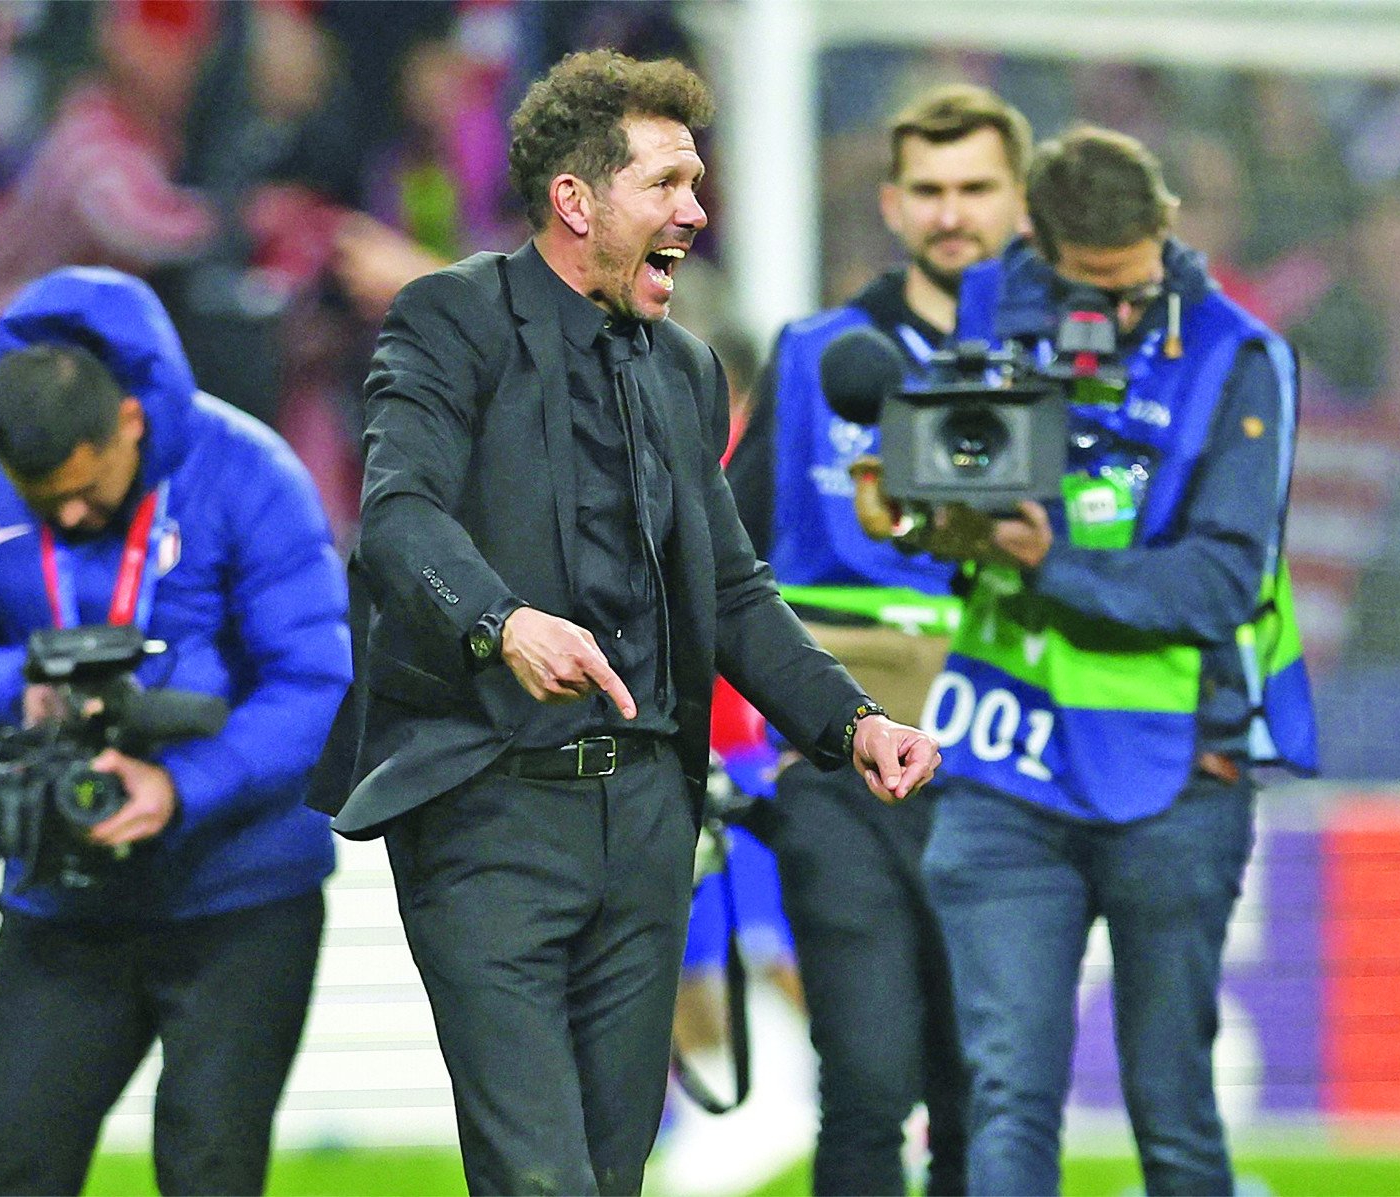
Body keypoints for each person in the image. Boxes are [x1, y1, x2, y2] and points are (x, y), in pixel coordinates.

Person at [322, 50, 942, 1195]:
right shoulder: (449, 320)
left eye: (696, 183)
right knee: (541, 1181)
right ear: (575, 199)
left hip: (648, 825)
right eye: (665, 183)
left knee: (610, 1179)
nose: (694, 211)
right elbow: (397, 523)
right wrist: (504, 623)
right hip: (487, 812)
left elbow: (735, 592)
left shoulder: (686, 372)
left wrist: (850, 723)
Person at [907, 127, 1319, 1196]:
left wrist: (1058, 565)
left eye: (1135, 286)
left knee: (1170, 1103)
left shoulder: (1240, 356)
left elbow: (1223, 583)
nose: (1118, 312)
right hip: (1006, 764)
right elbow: (950, 477)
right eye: (1095, 287)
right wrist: (925, 512)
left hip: (1175, 773)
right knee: (1004, 1092)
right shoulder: (991, 303)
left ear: (1167, 231)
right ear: (1042, 246)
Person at [0, 266, 352, 1196]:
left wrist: (182, 786)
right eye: (41, 501)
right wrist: (22, 685)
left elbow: (315, 684)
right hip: (64, 892)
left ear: (131, 423)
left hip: (240, 892)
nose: (67, 516)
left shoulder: (248, 471)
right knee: (15, 1168)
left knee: (209, 1171)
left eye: (82, 489)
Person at [724, 83, 1031, 1197]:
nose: (953, 213)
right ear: (893, 206)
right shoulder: (815, 357)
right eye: (931, 191)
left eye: (976, 189)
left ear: (1019, 203)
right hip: (844, 773)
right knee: (864, 1081)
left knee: (984, 1092)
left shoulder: (1070, 366)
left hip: (1013, 783)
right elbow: (724, 555)